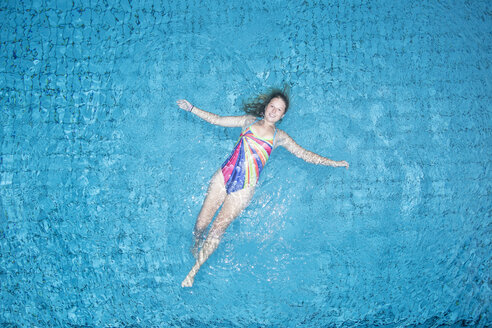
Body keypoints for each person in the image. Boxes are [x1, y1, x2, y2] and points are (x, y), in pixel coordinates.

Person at [176, 88, 349, 287]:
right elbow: (218, 119)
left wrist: (334, 163)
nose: (274, 111)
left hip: (244, 189)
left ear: (283, 115)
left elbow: (305, 154)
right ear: (266, 107)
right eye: (272, 106)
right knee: (200, 224)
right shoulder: (248, 121)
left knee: (217, 230)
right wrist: (192, 108)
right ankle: (195, 245)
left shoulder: (280, 137)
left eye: (279, 110)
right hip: (223, 177)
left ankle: (193, 271)